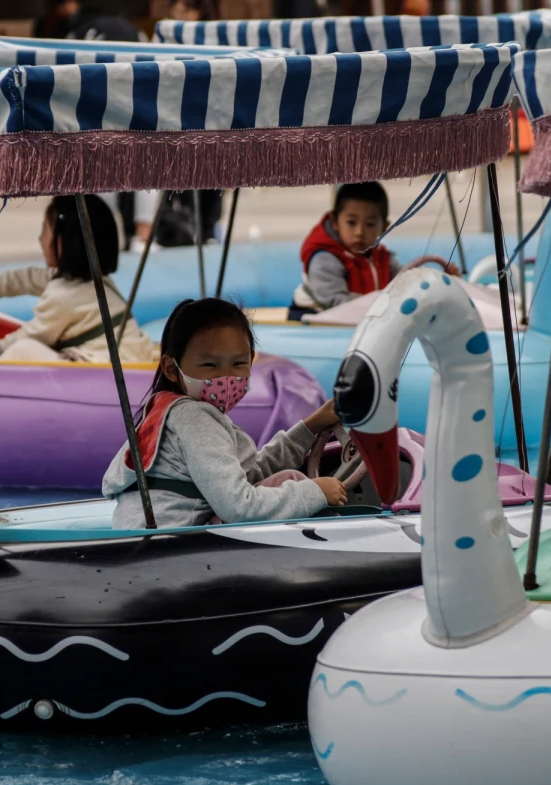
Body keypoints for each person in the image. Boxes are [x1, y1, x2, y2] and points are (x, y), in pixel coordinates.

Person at [101, 297, 347, 529]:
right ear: (171, 368)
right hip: (171, 544)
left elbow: (251, 474)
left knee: (286, 479)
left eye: (238, 364)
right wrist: (315, 492)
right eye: (210, 365)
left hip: (152, 536)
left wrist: (311, 426)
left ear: (251, 360)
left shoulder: (167, 409)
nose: (226, 376)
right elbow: (239, 507)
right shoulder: (194, 418)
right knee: (293, 482)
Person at [0, 195, 157, 364]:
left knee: (22, 350)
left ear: (63, 243)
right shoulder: (91, 279)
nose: (40, 239)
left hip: (106, 367)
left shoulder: (63, 296)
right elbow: (20, 280)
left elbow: (35, 334)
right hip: (132, 354)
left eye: (45, 231)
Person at [289, 182, 459, 320]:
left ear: (384, 227)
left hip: (360, 318)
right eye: (351, 223)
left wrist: (440, 281)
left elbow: (407, 283)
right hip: (313, 320)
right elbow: (337, 305)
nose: (359, 232)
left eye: (370, 224)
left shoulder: (382, 258)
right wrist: (386, 307)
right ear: (334, 222)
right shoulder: (325, 260)